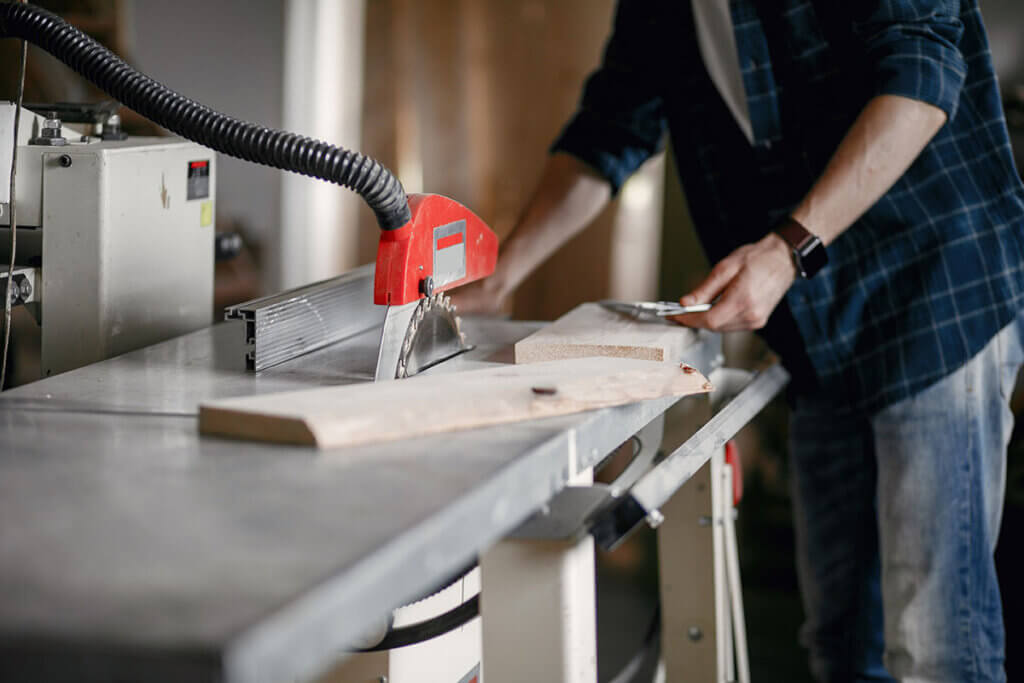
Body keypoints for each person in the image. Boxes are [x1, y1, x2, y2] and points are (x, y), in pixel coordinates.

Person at [455, 2, 1024, 681]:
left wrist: (788, 250)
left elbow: (923, 79)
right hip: (821, 324)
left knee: (935, 649)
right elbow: (612, 127)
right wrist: (505, 271)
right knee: (841, 645)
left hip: (936, 292)